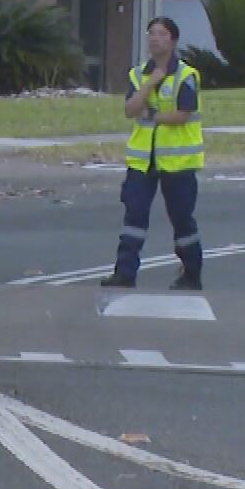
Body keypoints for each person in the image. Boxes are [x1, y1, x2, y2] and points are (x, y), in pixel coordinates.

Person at [103, 16, 205, 290]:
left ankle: (192, 273)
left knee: (182, 219)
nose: (154, 39)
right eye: (151, 34)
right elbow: (129, 110)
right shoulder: (138, 74)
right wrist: (150, 84)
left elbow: (183, 114)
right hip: (143, 159)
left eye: (160, 34)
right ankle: (125, 273)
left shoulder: (186, 75)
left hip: (177, 161)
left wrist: (154, 115)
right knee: (134, 216)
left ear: (172, 40)